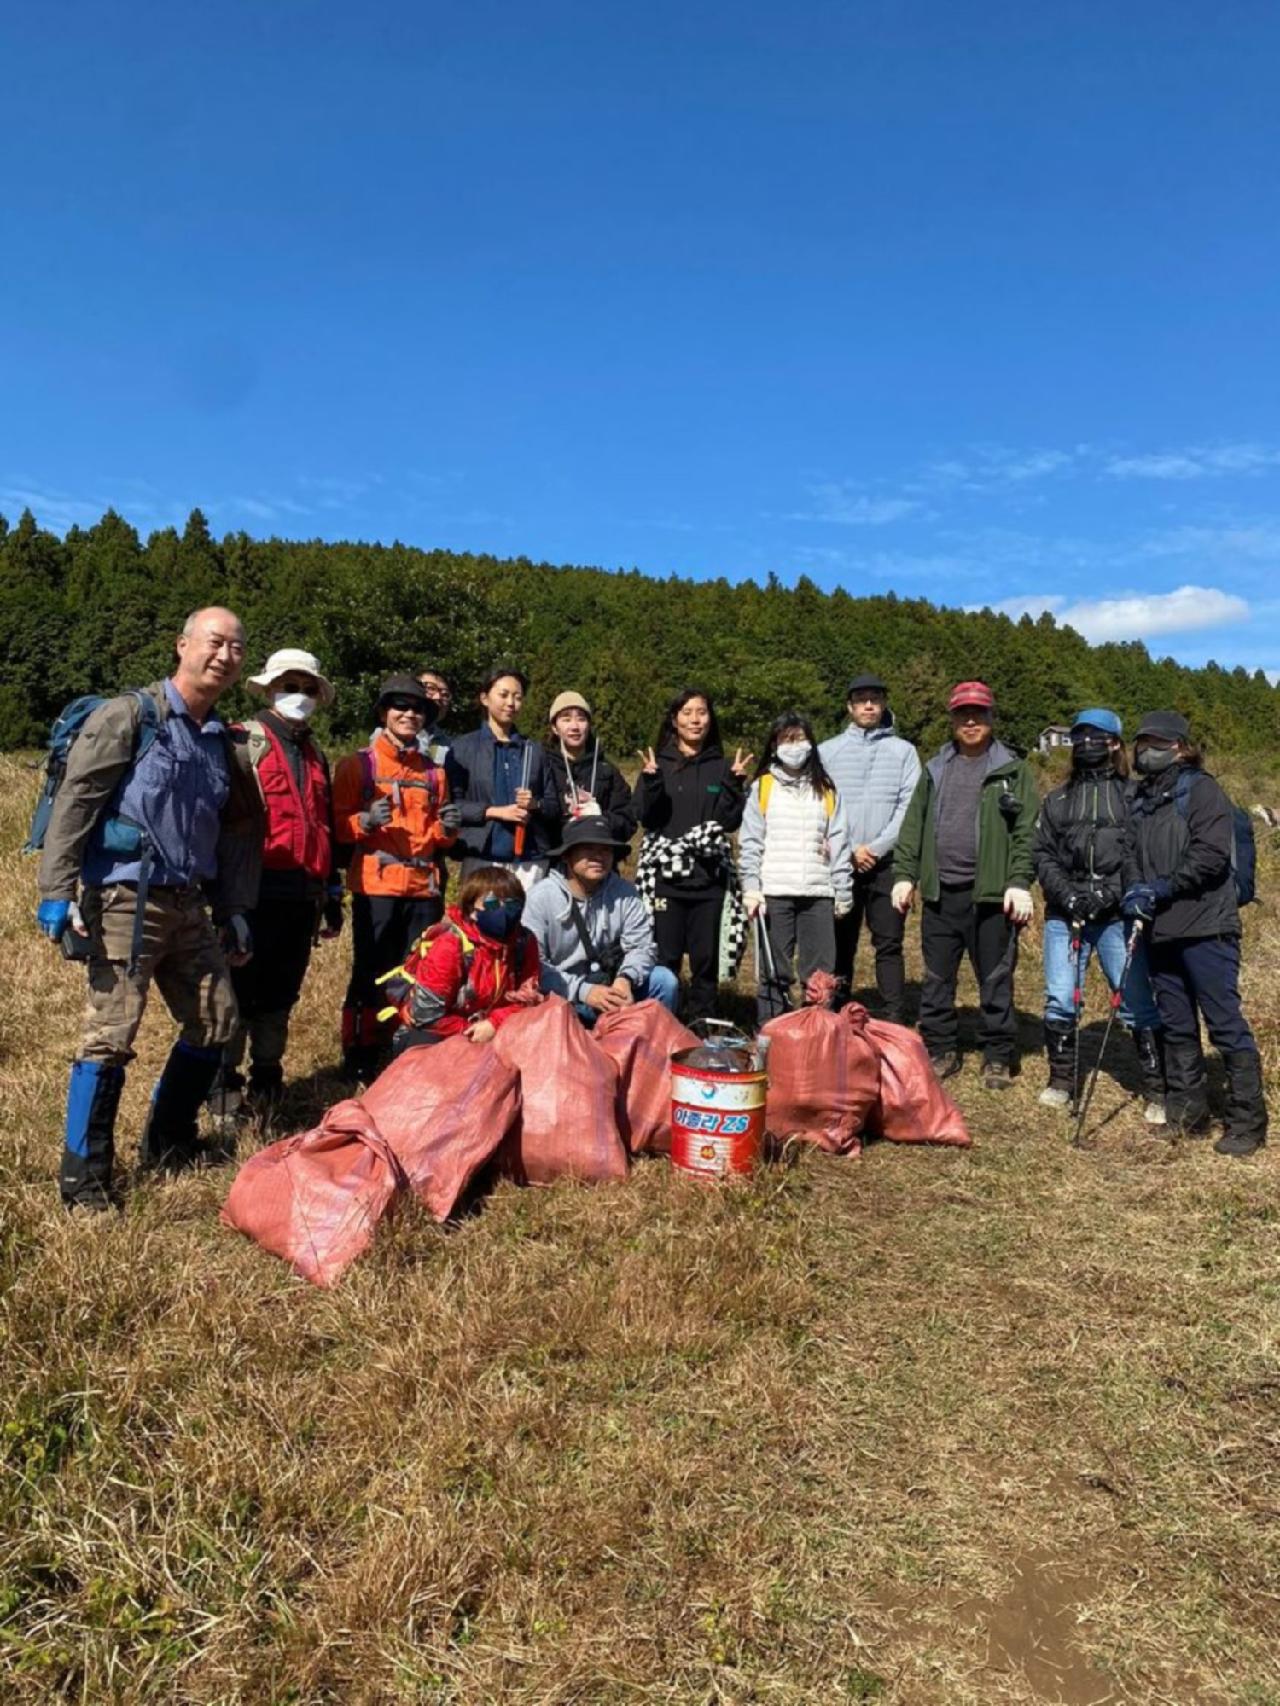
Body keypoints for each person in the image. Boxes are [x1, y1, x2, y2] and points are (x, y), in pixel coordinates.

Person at [35, 607, 263, 1209]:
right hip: (124, 899)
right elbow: (79, 800)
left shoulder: (224, 742)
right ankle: (84, 1177)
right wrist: (56, 889)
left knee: (215, 1020)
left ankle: (169, 1138)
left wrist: (234, 907)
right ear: (182, 644)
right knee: (110, 1032)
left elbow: (233, 831)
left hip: (189, 902)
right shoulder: (130, 717)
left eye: (237, 648)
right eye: (214, 642)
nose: (224, 655)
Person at [1122, 711, 1266, 1156]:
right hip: (1159, 930)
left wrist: (1162, 887)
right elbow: (1129, 852)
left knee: (1224, 1023)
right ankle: (1188, 1114)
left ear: (1182, 747)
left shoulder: (1203, 790)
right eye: (1142, 741)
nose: (1146, 749)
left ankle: (1248, 1122)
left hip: (1207, 926)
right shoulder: (1140, 797)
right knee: (1177, 1025)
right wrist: (1132, 892)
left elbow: (1211, 855)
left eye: (1157, 742)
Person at [211, 648, 344, 1117]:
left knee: (282, 992)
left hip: (302, 892)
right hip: (252, 890)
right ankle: (223, 1086)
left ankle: (267, 1078)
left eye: (309, 689)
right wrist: (225, 900)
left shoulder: (314, 752)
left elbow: (322, 823)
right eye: (290, 687)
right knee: (236, 993)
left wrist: (331, 891)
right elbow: (222, 824)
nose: (300, 697)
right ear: (269, 689)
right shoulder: (241, 742)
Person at [892, 681, 1038, 1089]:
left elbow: (1026, 831)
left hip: (990, 895)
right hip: (941, 894)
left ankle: (997, 1054)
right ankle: (939, 1048)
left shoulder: (1014, 770)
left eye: (978, 713)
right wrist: (905, 874)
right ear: (953, 719)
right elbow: (913, 824)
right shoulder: (935, 769)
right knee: (937, 978)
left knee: (994, 977)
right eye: (962, 714)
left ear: (991, 718)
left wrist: (1019, 881)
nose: (970, 721)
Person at [1033, 708, 1166, 1122]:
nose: (1086, 743)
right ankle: (1061, 1080)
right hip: (1064, 914)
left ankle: (1156, 1088)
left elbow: (1140, 855)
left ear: (1114, 743)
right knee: (1060, 997)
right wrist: (1068, 896)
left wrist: (1111, 894)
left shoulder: (1134, 797)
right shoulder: (1056, 799)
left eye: (1096, 736)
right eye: (1079, 736)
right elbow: (1042, 854)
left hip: (1116, 917)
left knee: (1136, 1002)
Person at [333, 675, 460, 1081]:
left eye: (417, 708)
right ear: (383, 712)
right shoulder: (358, 765)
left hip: (424, 888)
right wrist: (364, 822)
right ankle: (359, 1052)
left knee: (418, 971)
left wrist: (449, 828)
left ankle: (404, 1044)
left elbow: (437, 835)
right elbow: (336, 826)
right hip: (376, 886)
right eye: (400, 706)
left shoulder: (435, 773)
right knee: (371, 971)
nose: (409, 714)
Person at [633, 687, 751, 1023]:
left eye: (701, 712)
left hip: (709, 879)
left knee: (705, 960)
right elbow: (647, 817)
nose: (695, 720)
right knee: (665, 959)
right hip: (666, 881)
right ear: (674, 719)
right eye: (687, 713)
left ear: (711, 719)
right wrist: (652, 781)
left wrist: (732, 784)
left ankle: (702, 1026)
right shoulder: (658, 763)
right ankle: (663, 1023)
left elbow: (729, 821)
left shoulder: (721, 766)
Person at [739, 711, 853, 1025]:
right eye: (786, 740)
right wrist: (751, 886)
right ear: (774, 746)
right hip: (774, 893)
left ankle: (817, 1036)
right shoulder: (762, 788)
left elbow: (839, 842)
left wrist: (842, 890)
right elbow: (750, 841)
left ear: (811, 744)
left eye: (800, 739)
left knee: (820, 975)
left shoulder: (827, 789)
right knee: (774, 972)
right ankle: (772, 1035)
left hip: (818, 892)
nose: (794, 746)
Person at [819, 673, 921, 1021]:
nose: (868, 705)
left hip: (887, 863)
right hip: (840, 862)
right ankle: (833, 1010)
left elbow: (909, 806)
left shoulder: (904, 752)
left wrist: (876, 848)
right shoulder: (828, 751)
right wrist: (848, 850)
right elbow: (823, 805)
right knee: (839, 942)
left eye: (874, 699)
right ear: (849, 707)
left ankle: (893, 1016)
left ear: (883, 704)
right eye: (861, 699)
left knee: (889, 942)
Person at [522, 815, 679, 1024]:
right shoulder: (540, 898)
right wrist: (584, 991)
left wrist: (626, 980)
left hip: (612, 987)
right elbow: (533, 966)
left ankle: (648, 1047)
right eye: (588, 849)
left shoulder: (626, 893)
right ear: (567, 856)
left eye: (605, 850)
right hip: (562, 996)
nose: (598, 857)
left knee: (664, 981)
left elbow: (642, 947)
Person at [384, 865, 542, 1051]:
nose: (504, 912)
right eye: (491, 904)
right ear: (471, 909)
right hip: (441, 1030)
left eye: (512, 904)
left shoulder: (524, 941)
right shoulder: (450, 945)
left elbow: (529, 997)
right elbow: (426, 1015)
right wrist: (473, 1030)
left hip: (494, 1025)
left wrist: (495, 1023)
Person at [449, 666, 557, 891]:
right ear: (484, 698)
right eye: (504, 695)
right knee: (479, 924)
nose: (511, 703)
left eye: (518, 697)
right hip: (482, 856)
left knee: (527, 925)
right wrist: (494, 812)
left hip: (530, 860)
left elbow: (554, 804)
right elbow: (451, 806)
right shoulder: (462, 748)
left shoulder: (534, 750)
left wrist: (535, 804)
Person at [543, 690, 637, 848]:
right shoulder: (543, 767)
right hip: (553, 863)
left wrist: (600, 816)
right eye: (566, 719)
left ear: (589, 725)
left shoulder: (606, 771)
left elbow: (628, 823)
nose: (574, 726)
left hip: (598, 861)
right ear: (554, 727)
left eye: (581, 719)